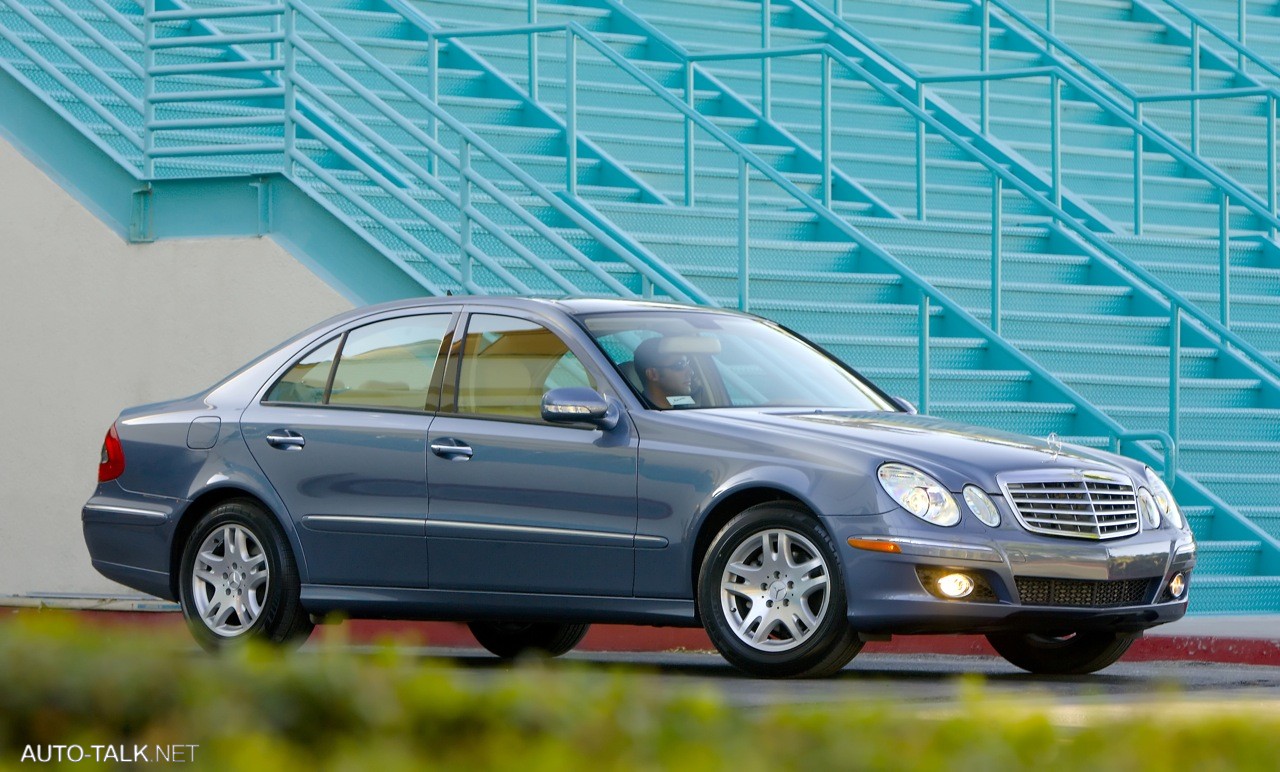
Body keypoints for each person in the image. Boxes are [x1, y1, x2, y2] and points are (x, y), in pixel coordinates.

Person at [632, 336, 695, 409]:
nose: (691, 372)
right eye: (680, 365)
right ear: (652, 374)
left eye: (687, 363)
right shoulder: (642, 413)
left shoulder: (682, 403)